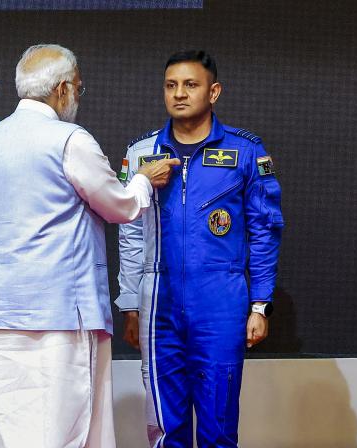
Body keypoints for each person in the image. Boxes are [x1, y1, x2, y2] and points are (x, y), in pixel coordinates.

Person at [0, 43, 180, 448]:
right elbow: (120, 206)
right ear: (61, 90)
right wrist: (144, 179)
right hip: (62, 321)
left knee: (4, 433)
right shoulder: (69, 139)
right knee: (67, 433)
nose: (77, 95)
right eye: (78, 87)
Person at [117, 50, 284, 447]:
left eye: (190, 85)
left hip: (221, 301)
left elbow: (265, 229)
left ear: (214, 92)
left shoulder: (246, 151)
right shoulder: (142, 153)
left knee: (218, 423)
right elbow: (130, 232)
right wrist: (129, 303)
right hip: (158, 299)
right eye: (171, 85)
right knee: (164, 425)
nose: (179, 94)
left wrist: (260, 304)